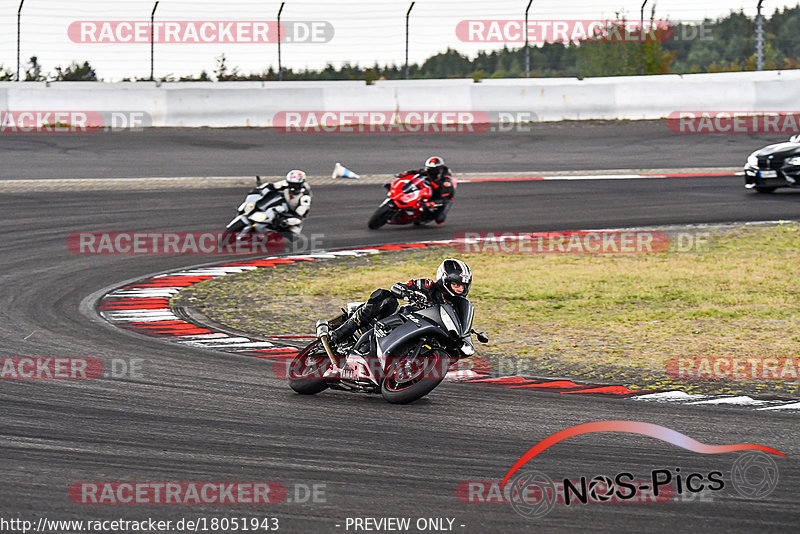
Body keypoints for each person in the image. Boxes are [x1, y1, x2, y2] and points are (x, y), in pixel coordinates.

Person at [328, 258, 472, 346]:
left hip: (422, 333)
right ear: (445, 280)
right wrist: (409, 294)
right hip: (399, 320)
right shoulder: (428, 286)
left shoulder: (456, 306)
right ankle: (343, 332)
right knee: (385, 297)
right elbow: (397, 287)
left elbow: (460, 325)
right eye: (456, 285)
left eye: (462, 286)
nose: (460, 289)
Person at [400, 156, 455, 224]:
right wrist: (406, 173)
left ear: (439, 169)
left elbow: (444, 198)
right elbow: (419, 171)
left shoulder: (445, 182)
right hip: (432, 188)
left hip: (442, 196)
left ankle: (427, 216)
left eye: (434, 169)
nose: (431, 171)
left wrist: (433, 203)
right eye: (429, 168)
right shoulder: (428, 171)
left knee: (439, 219)